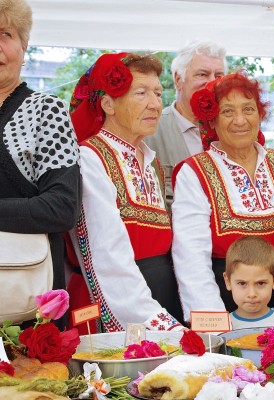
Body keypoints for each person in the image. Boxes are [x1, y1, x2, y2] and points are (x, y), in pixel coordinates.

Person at [171, 71, 274, 327]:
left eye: (248, 109)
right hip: (223, 298)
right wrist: (213, 323)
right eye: (227, 112)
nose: (240, 120)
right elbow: (190, 255)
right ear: (211, 121)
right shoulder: (194, 172)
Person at [68, 52, 184, 332]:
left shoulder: (151, 161)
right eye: (141, 93)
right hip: (116, 299)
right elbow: (106, 254)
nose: (155, 104)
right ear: (108, 103)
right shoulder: (91, 157)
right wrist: (157, 323)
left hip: (156, 293)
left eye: (158, 93)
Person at [0, 0, 80, 326]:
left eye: (4, 33)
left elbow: (62, 207)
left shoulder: (45, 111)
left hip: (28, 299)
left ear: (24, 44)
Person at [144, 41, 227, 207]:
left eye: (219, 76)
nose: (212, 82)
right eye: (202, 75)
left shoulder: (231, 130)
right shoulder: (149, 130)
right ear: (178, 79)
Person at [224, 236, 274, 329]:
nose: (252, 294)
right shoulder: (224, 326)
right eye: (242, 283)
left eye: (261, 283)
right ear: (228, 281)